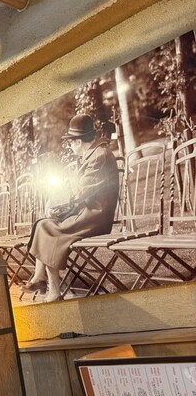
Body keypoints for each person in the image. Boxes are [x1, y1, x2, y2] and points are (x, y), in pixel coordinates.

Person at [21, 114, 120, 302]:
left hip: (95, 217)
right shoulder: (94, 154)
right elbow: (81, 190)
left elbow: (81, 191)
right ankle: (42, 280)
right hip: (88, 213)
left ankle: (50, 288)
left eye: (70, 143)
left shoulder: (99, 156)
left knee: (47, 227)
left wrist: (57, 199)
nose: (70, 147)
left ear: (78, 141)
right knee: (44, 224)